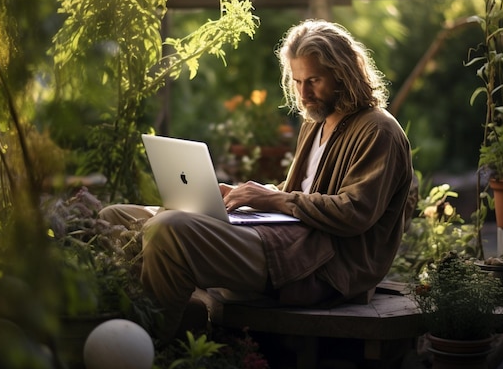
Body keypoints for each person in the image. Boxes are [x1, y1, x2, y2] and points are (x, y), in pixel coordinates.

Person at [99, 19, 414, 339]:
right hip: (288, 237)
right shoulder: (317, 122)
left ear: (343, 74)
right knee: (115, 217)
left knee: (167, 229)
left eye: (314, 80)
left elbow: (354, 212)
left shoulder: (378, 130)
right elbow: (299, 193)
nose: (304, 93)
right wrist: (248, 194)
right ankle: (166, 320)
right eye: (297, 81)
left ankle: (152, 345)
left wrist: (271, 199)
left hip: (322, 264)